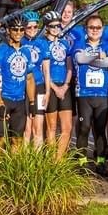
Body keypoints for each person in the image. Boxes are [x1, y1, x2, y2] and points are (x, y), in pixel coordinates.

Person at [73, 14, 108, 175]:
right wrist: (98, 57)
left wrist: (89, 58)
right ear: (86, 29)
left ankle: (100, 161)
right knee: (84, 128)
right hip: (84, 93)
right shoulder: (80, 43)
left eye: (98, 27)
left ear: (102, 29)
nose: (95, 30)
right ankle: (82, 162)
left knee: (100, 129)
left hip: (102, 94)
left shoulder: (107, 44)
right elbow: (79, 58)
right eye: (91, 27)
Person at [0, 14, 36, 150]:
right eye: (15, 29)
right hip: (4, 98)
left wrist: (32, 102)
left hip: (20, 101)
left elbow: (30, 78)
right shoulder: (0, 51)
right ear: (8, 30)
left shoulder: (26, 52)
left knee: (17, 140)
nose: (19, 33)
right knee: (0, 139)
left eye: (22, 30)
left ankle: (13, 170)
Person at [40, 10, 74, 157]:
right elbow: (43, 69)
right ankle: (51, 159)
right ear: (46, 27)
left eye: (58, 26)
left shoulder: (64, 43)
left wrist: (65, 85)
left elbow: (69, 66)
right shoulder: (42, 44)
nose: (56, 29)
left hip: (64, 86)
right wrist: (54, 88)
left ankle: (59, 161)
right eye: (52, 26)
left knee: (67, 127)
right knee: (51, 126)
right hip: (49, 86)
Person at [21, 10, 47, 145]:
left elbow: (46, 70)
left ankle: (38, 163)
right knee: (27, 127)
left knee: (38, 126)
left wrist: (47, 91)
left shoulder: (42, 43)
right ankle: (24, 163)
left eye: (35, 27)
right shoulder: (19, 42)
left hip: (39, 85)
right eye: (29, 27)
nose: (32, 30)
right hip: (23, 87)